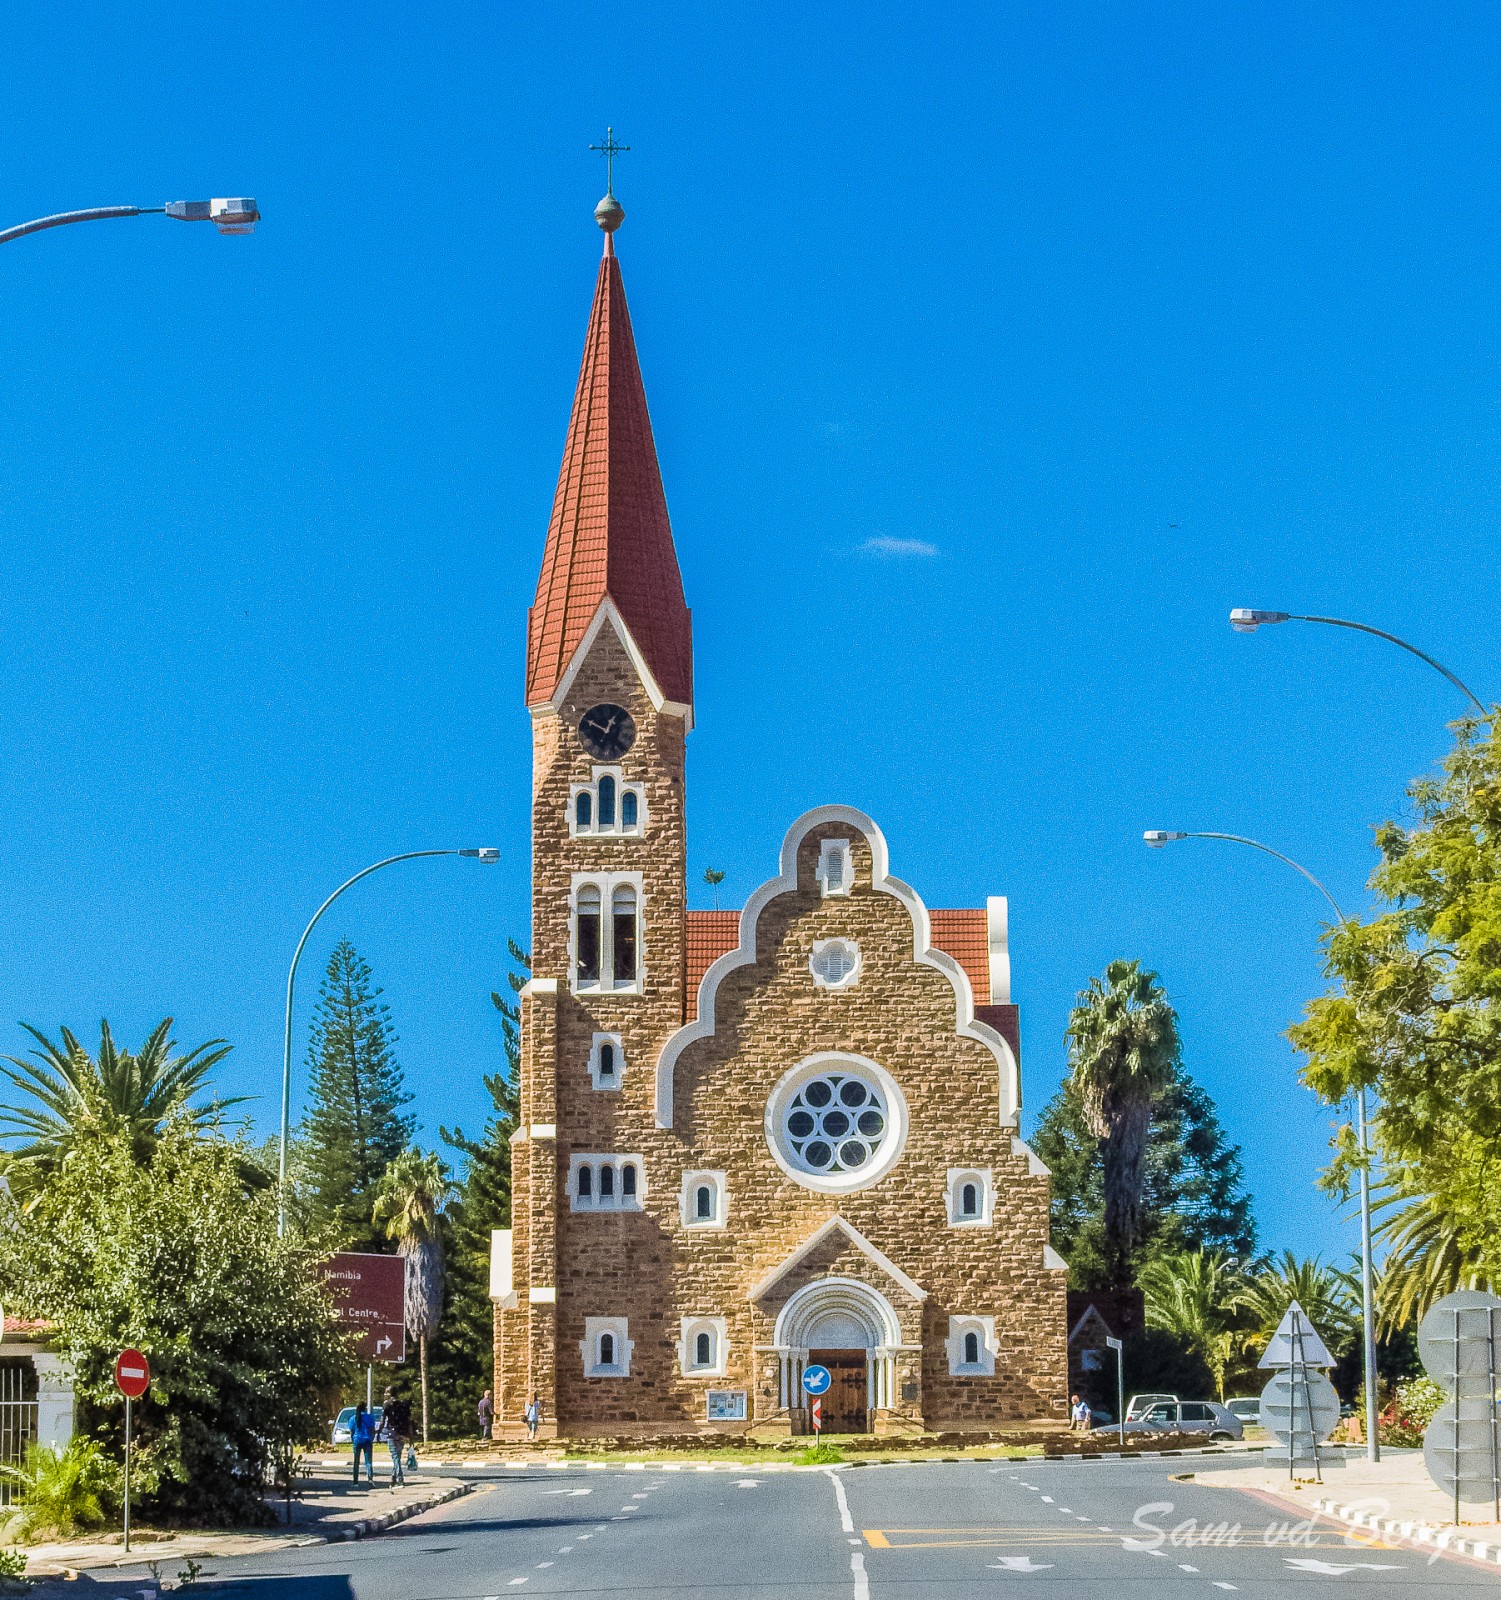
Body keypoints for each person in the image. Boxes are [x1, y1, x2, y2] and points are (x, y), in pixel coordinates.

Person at [381, 1388, 414, 1485]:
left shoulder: (387, 1404)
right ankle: (393, 1477)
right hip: (402, 1434)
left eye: (386, 1392)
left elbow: (383, 1420)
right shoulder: (404, 1405)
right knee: (397, 1457)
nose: (384, 1394)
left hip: (392, 1433)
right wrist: (411, 1437)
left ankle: (400, 1478)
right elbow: (409, 1422)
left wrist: (379, 1432)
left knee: (395, 1456)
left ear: (390, 1394)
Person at [351, 1401, 376, 1484]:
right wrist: (371, 1438)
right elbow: (372, 1430)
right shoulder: (369, 1418)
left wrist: (353, 1440)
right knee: (368, 1461)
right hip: (367, 1440)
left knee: (356, 1461)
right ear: (365, 1408)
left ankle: (355, 1481)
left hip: (357, 1440)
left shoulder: (353, 1418)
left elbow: (352, 1431)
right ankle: (370, 1479)